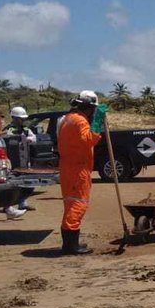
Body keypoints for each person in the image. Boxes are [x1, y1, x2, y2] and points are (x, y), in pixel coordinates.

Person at [58, 91, 102, 253]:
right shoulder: (80, 121)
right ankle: (71, 246)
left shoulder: (67, 119)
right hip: (77, 169)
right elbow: (88, 140)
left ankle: (70, 244)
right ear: (89, 108)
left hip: (68, 167)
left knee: (71, 204)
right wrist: (97, 123)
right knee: (78, 204)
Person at [5, 106, 36, 212]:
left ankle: (22, 202)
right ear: (13, 118)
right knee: (12, 183)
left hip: (24, 159)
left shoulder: (26, 129)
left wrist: (29, 139)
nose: (22, 120)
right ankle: (8, 206)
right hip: (13, 160)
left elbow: (34, 138)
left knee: (27, 182)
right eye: (20, 118)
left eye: (23, 118)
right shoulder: (8, 129)